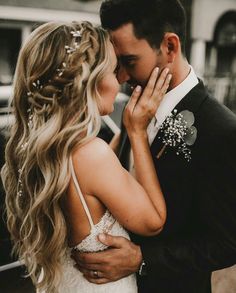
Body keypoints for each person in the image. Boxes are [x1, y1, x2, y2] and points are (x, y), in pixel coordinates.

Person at [72, 1, 236, 292]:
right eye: (117, 63)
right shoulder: (132, 105)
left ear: (170, 47)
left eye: (130, 62)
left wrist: (142, 259)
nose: (121, 76)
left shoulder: (221, 129)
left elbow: (227, 242)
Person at [1, 21, 172, 292]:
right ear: (89, 80)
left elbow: (97, 179)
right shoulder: (90, 154)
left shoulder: (34, 149)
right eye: (114, 69)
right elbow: (153, 222)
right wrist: (137, 132)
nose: (121, 80)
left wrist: (125, 130)